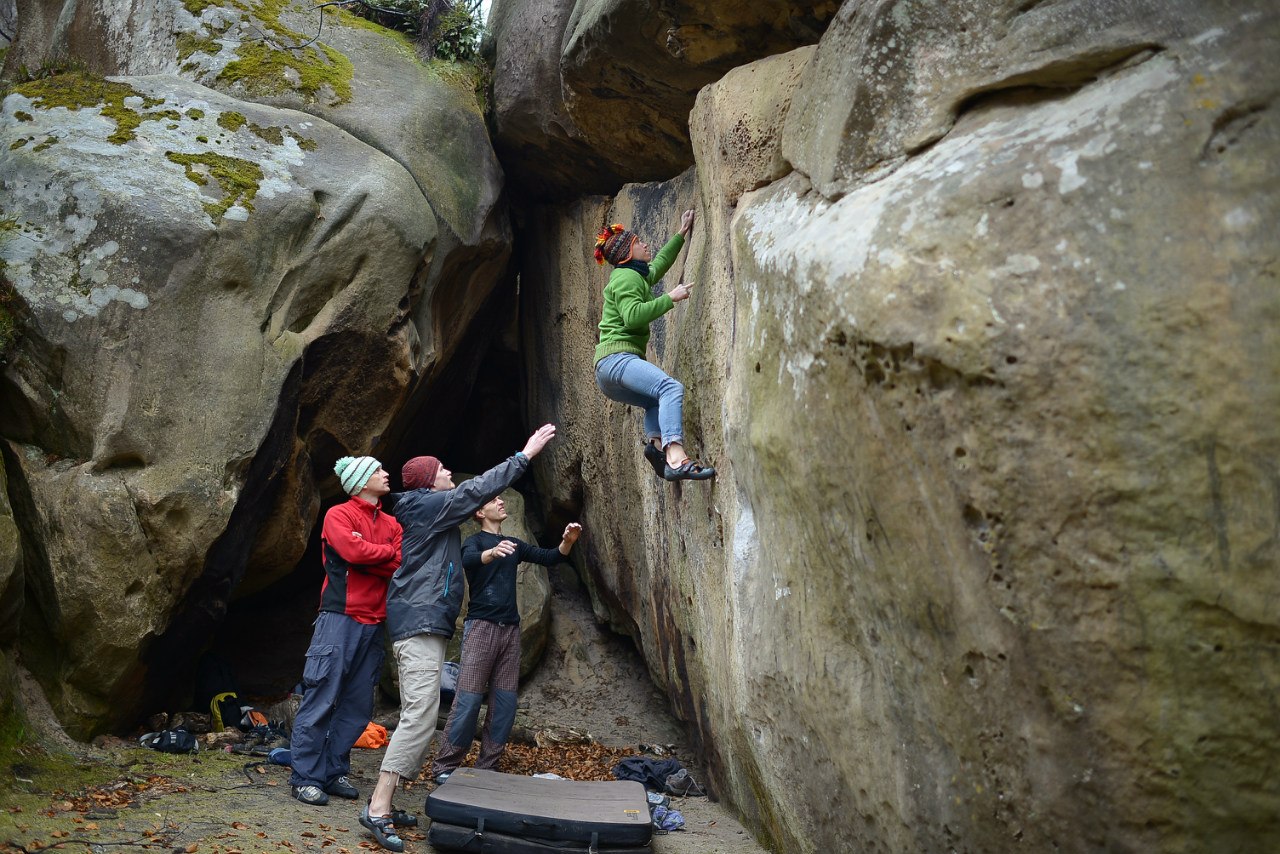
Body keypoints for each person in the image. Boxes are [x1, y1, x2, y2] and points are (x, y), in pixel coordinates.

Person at [359, 425, 558, 853]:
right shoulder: (427, 506)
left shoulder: (425, 508)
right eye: (443, 470)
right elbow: (477, 491)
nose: (451, 473)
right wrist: (524, 455)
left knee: (425, 714)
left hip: (427, 623)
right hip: (419, 623)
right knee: (417, 715)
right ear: (430, 481)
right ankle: (377, 807)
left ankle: (387, 803)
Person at [432, 499, 582, 782]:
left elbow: (550, 557)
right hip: (481, 628)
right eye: (494, 500)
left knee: (504, 704)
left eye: (502, 498)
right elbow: (468, 561)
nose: (501, 502)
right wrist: (491, 552)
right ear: (479, 512)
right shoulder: (474, 541)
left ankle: (487, 767)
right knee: (468, 701)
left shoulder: (513, 543)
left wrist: (567, 542)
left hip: (509, 631)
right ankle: (445, 767)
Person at [289, 456, 401, 808]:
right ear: (362, 480)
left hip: (374, 622)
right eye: (378, 470)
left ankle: (334, 770)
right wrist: (377, 555)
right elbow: (351, 551)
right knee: (321, 697)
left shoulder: (392, 522)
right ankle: (305, 777)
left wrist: (372, 556)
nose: (386, 474)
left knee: (357, 706)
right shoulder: (338, 514)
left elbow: (399, 563)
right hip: (339, 618)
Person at [593, 208, 715, 482]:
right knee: (670, 388)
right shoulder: (625, 278)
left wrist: (681, 234)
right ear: (627, 253)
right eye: (638, 243)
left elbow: (658, 265)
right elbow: (632, 315)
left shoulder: (636, 274)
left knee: (654, 401)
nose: (645, 244)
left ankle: (657, 448)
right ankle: (676, 456)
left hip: (609, 371)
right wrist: (670, 298)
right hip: (617, 360)